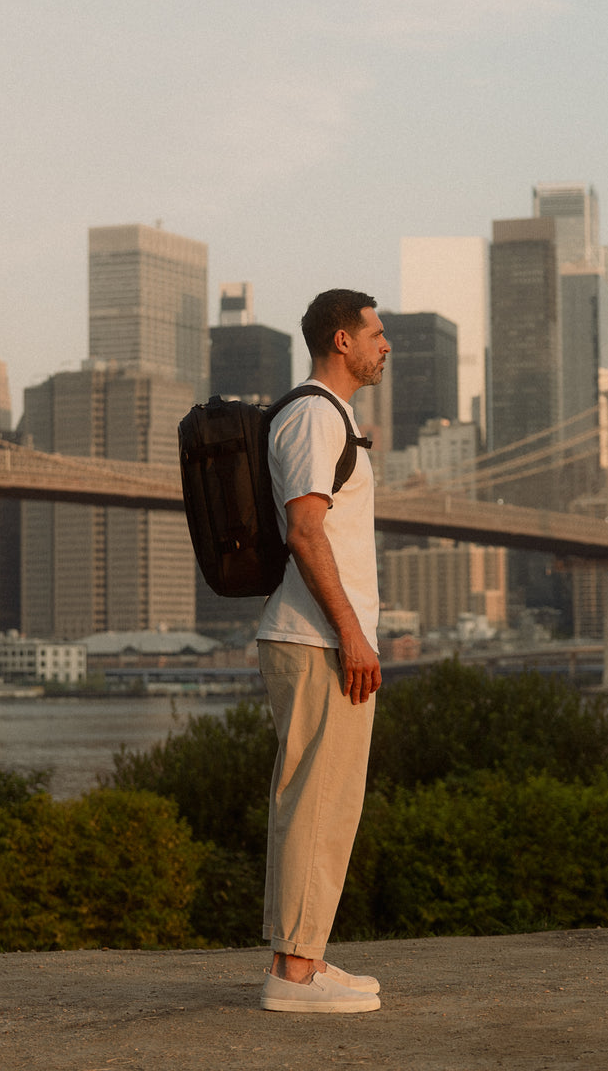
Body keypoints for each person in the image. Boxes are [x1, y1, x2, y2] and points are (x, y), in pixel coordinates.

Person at [257, 289, 390, 1014]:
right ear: (342, 341)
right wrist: (351, 632)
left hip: (317, 636)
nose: (386, 345)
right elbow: (305, 531)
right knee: (318, 802)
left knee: (323, 802)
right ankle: (293, 978)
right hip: (317, 640)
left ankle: (302, 958)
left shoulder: (327, 416)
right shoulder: (313, 414)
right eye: (376, 333)